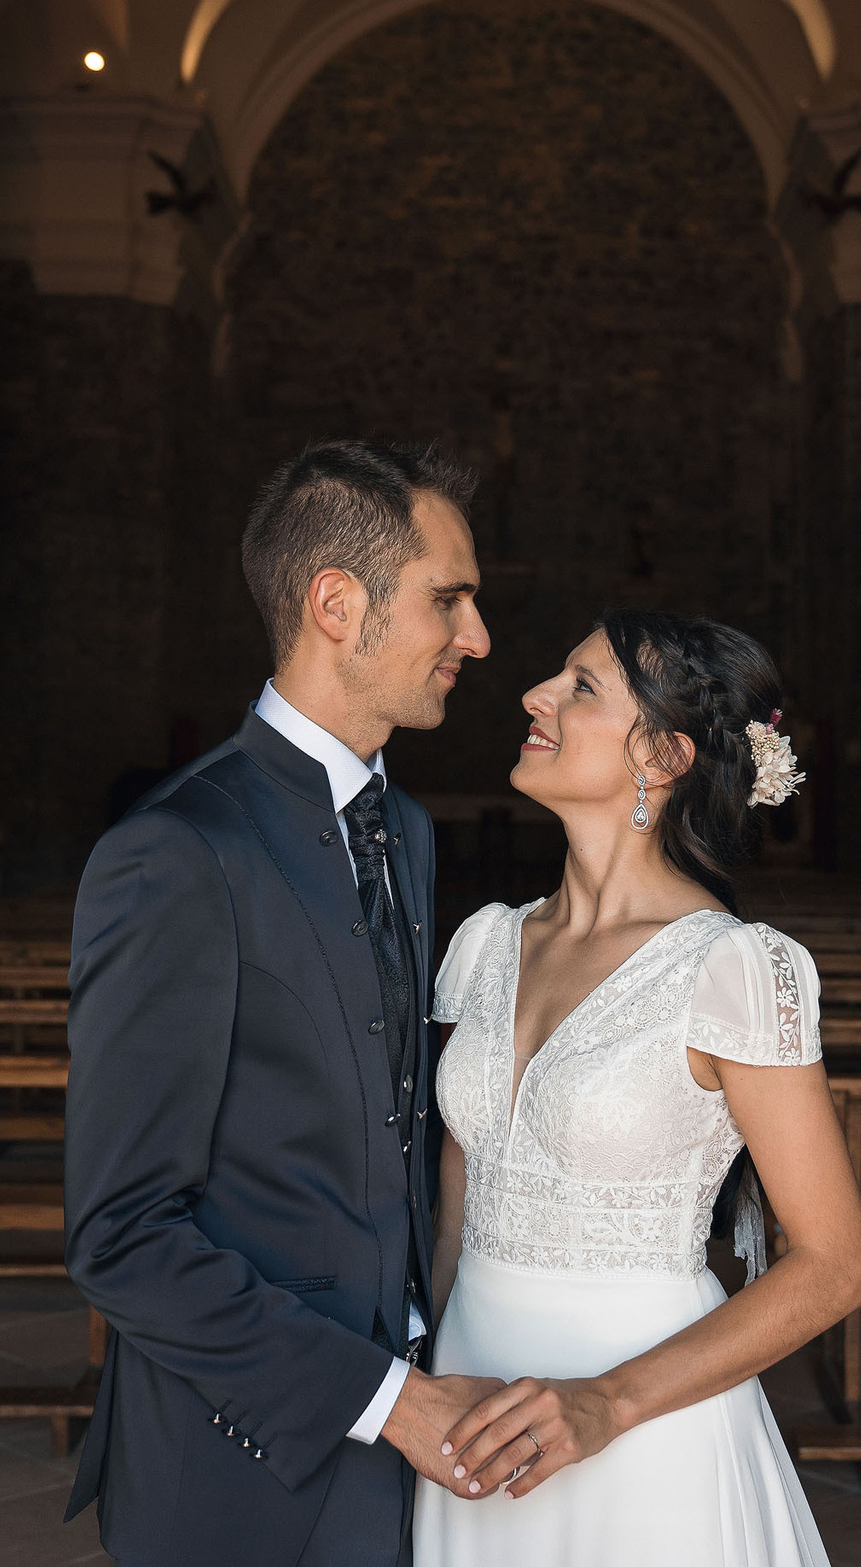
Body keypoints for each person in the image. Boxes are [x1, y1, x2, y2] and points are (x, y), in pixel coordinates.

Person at [61, 441, 505, 1566]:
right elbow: (120, 1236)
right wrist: (388, 1401)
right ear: (336, 603)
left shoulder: (402, 830)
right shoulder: (174, 851)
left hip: (400, 1442)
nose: (478, 639)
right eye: (448, 601)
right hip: (232, 1464)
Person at [413, 612, 861, 1565]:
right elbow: (457, 1208)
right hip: (472, 1409)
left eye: (580, 687)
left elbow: (834, 1265)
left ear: (663, 756)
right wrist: (429, 1377)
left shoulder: (735, 968)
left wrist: (604, 1402)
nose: (535, 696)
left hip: (646, 1419)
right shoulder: (485, 945)